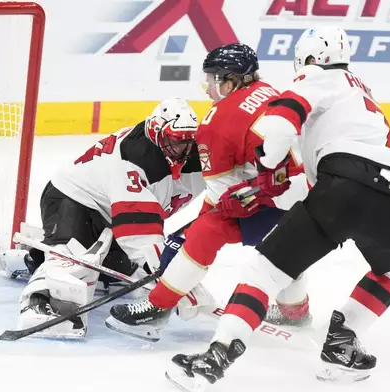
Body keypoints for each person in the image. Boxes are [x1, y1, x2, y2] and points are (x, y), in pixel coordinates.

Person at [167, 26, 390, 388]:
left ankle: (216, 357)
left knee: (263, 274)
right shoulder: (366, 96)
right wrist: (276, 189)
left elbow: (282, 120)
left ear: (313, 59)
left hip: (340, 187)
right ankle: (343, 341)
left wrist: (267, 164)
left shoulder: (318, 78)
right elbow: (362, 162)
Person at [105, 43, 311, 342]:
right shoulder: (269, 91)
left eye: (213, 79)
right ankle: (296, 311)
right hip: (317, 193)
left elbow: (220, 194)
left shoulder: (217, 122)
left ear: (231, 80)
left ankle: (156, 308)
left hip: (281, 196)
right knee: (281, 243)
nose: (207, 88)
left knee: (206, 232)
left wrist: (187, 236)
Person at [0, 97, 206, 338]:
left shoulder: (197, 152)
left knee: (124, 273)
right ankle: (40, 300)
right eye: (173, 142)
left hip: (112, 214)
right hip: (72, 197)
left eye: (186, 143)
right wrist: (178, 282)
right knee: (73, 258)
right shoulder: (135, 158)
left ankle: (33, 259)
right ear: (156, 133)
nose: (181, 151)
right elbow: (139, 235)